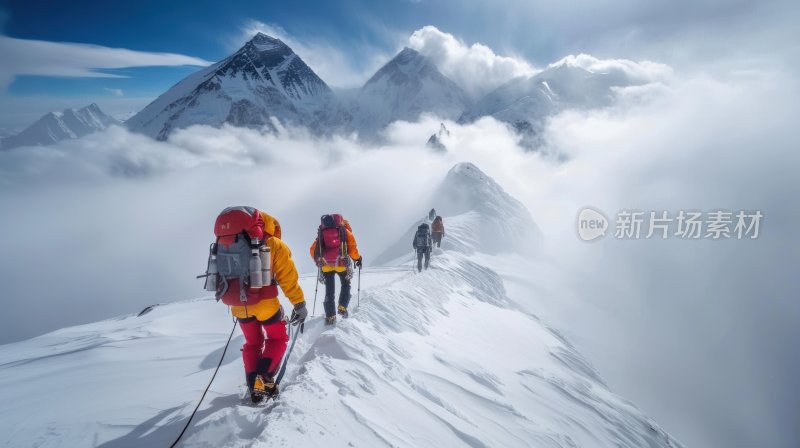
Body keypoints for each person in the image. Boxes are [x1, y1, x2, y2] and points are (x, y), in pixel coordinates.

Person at [209, 207, 307, 403]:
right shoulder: (273, 243)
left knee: (252, 343)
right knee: (277, 338)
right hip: (265, 303)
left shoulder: (225, 242)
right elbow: (288, 278)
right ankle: (264, 379)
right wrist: (299, 304)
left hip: (238, 304)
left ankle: (253, 385)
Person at [310, 214, 362, 325]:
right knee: (346, 284)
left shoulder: (322, 232)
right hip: (341, 263)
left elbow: (313, 249)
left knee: (329, 290)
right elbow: (353, 249)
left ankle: (330, 316)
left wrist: (320, 261)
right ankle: (342, 307)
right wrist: (358, 259)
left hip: (326, 265)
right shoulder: (345, 232)